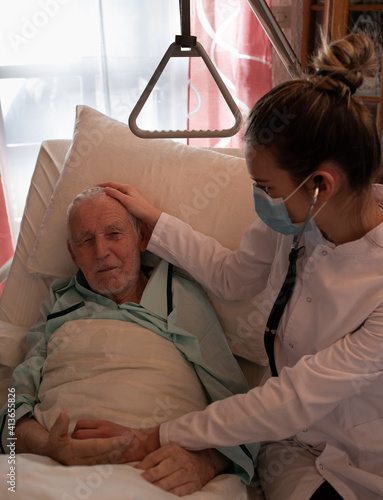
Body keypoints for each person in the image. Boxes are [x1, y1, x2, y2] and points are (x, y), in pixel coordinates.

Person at [80, 33, 383, 500]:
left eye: (265, 186)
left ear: (321, 184)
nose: (260, 199)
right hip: (293, 447)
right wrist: (154, 221)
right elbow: (232, 275)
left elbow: (297, 396)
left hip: (366, 456)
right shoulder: (297, 218)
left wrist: (160, 434)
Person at [0, 186, 258, 496]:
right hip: (47, 469)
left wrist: (204, 462)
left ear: (141, 238)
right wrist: (48, 447)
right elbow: (14, 410)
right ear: (72, 253)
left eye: (114, 234)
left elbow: (241, 411)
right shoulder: (58, 304)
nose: (101, 252)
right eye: (85, 241)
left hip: (155, 469)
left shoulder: (178, 297)